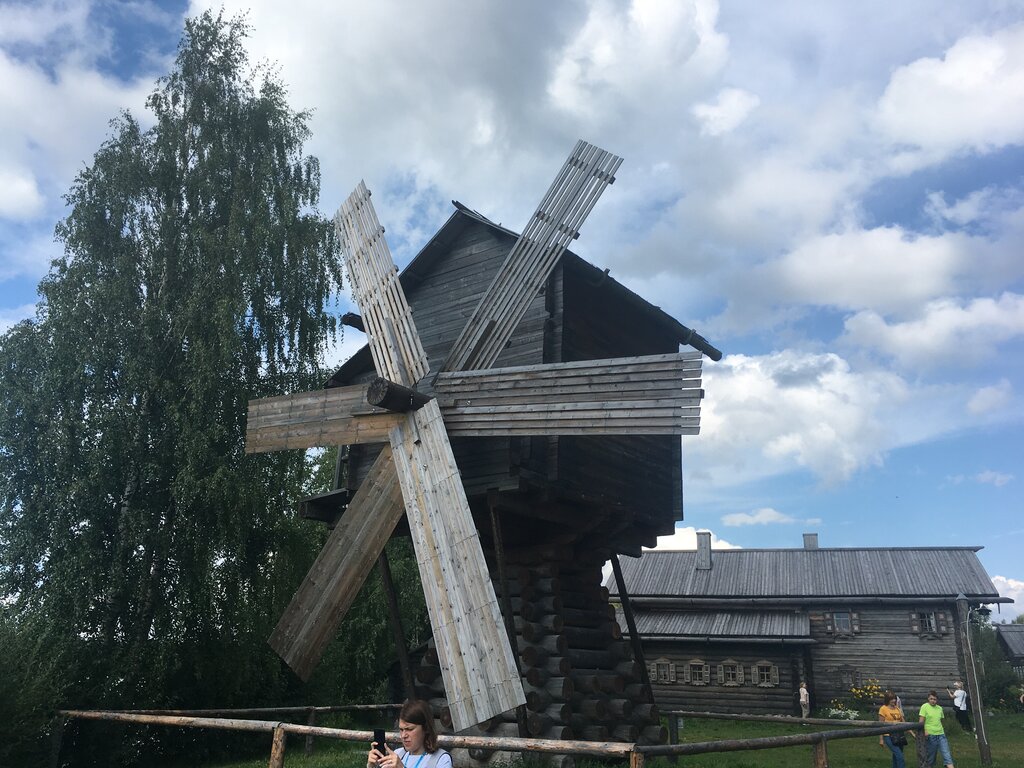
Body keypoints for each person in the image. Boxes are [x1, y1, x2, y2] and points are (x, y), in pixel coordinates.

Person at [368, 700, 452, 768]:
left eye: (409, 729)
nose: (403, 735)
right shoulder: (398, 754)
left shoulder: (441, 759)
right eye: (401, 730)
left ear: (426, 728)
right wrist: (372, 766)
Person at [919, 690, 954, 768]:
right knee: (931, 758)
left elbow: (940, 721)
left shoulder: (939, 708)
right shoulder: (924, 706)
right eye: (931, 699)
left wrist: (942, 730)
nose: (933, 701)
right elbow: (921, 722)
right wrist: (925, 731)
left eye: (934, 699)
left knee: (947, 755)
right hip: (930, 735)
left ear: (937, 700)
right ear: (928, 699)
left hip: (941, 734)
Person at [879, 691, 906, 768]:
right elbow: (880, 725)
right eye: (891, 699)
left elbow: (903, 722)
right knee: (899, 756)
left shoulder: (897, 708)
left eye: (894, 699)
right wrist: (881, 739)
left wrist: (912, 733)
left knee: (896, 756)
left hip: (899, 735)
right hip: (888, 735)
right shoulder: (883, 709)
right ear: (887, 700)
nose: (894, 700)